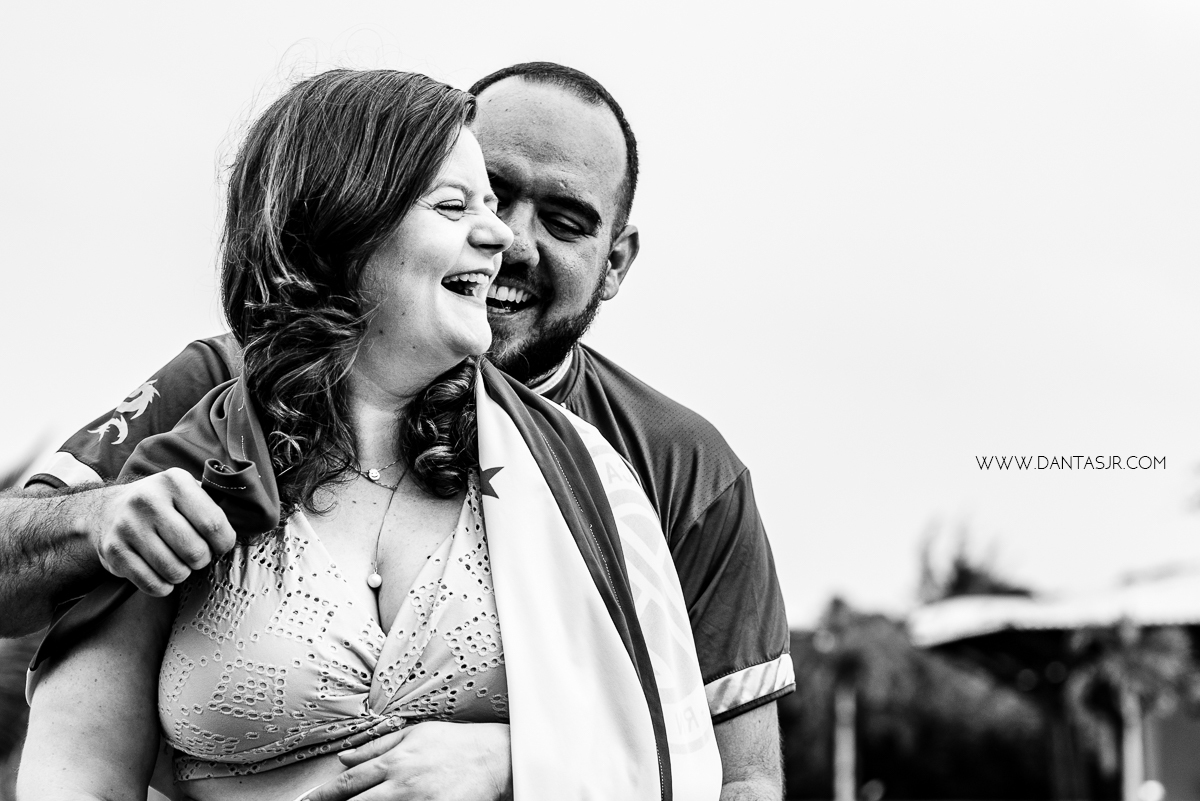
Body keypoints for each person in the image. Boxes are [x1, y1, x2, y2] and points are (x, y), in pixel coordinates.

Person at [4, 63, 792, 798]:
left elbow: (721, 773)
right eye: (471, 199)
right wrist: (95, 514)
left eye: (563, 218)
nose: (509, 238)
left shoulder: (642, 467)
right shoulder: (209, 405)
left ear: (616, 261)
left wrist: (520, 761)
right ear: (349, 223)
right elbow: (76, 764)